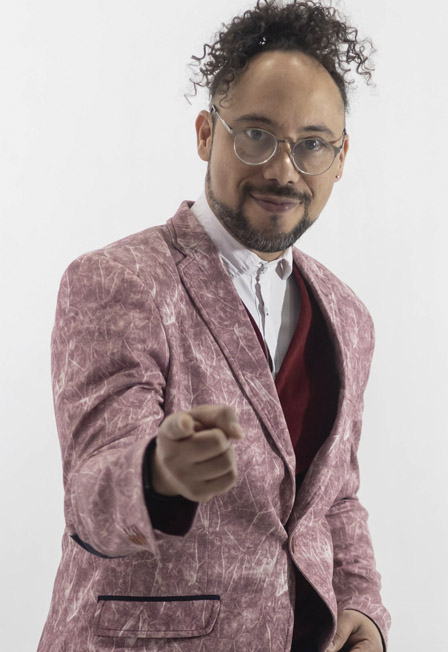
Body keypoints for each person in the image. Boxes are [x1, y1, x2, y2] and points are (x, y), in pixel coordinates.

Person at [38, 1, 391, 650]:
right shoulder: (118, 279)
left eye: (312, 145)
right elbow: (89, 493)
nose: (283, 169)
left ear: (340, 158)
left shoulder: (348, 315)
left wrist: (362, 605)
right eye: (256, 134)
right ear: (206, 134)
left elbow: (335, 496)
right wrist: (156, 471)